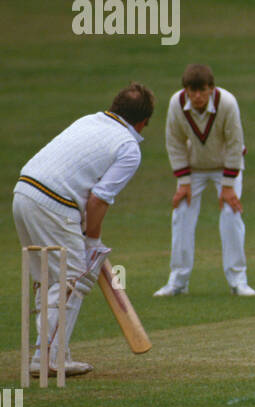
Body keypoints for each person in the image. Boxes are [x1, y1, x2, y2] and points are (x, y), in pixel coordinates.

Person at [12, 83, 155, 377]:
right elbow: (99, 198)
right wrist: (92, 239)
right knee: (74, 276)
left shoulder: (88, 120)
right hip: (55, 203)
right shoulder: (128, 147)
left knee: (50, 278)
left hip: (23, 193)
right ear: (143, 122)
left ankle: (54, 354)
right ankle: (46, 358)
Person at [154, 64, 255, 297]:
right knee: (180, 213)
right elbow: (174, 142)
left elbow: (234, 143)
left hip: (226, 167)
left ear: (211, 88)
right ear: (186, 90)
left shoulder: (227, 103)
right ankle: (178, 282)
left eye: (202, 90)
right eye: (192, 90)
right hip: (194, 168)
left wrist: (228, 187)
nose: (198, 96)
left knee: (231, 214)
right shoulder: (176, 104)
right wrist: (184, 181)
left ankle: (238, 281)